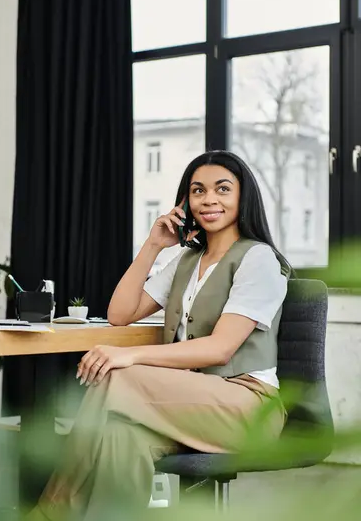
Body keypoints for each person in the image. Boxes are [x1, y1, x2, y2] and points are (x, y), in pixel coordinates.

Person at [27, 150, 291, 521]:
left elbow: (220, 348)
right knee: (121, 436)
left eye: (222, 189)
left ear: (242, 197)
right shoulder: (185, 261)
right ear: (185, 202)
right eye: (198, 191)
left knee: (118, 374)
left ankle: (49, 511)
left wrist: (130, 357)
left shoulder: (258, 258)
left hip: (247, 406)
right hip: (185, 403)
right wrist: (153, 246)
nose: (209, 199)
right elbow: (121, 314)